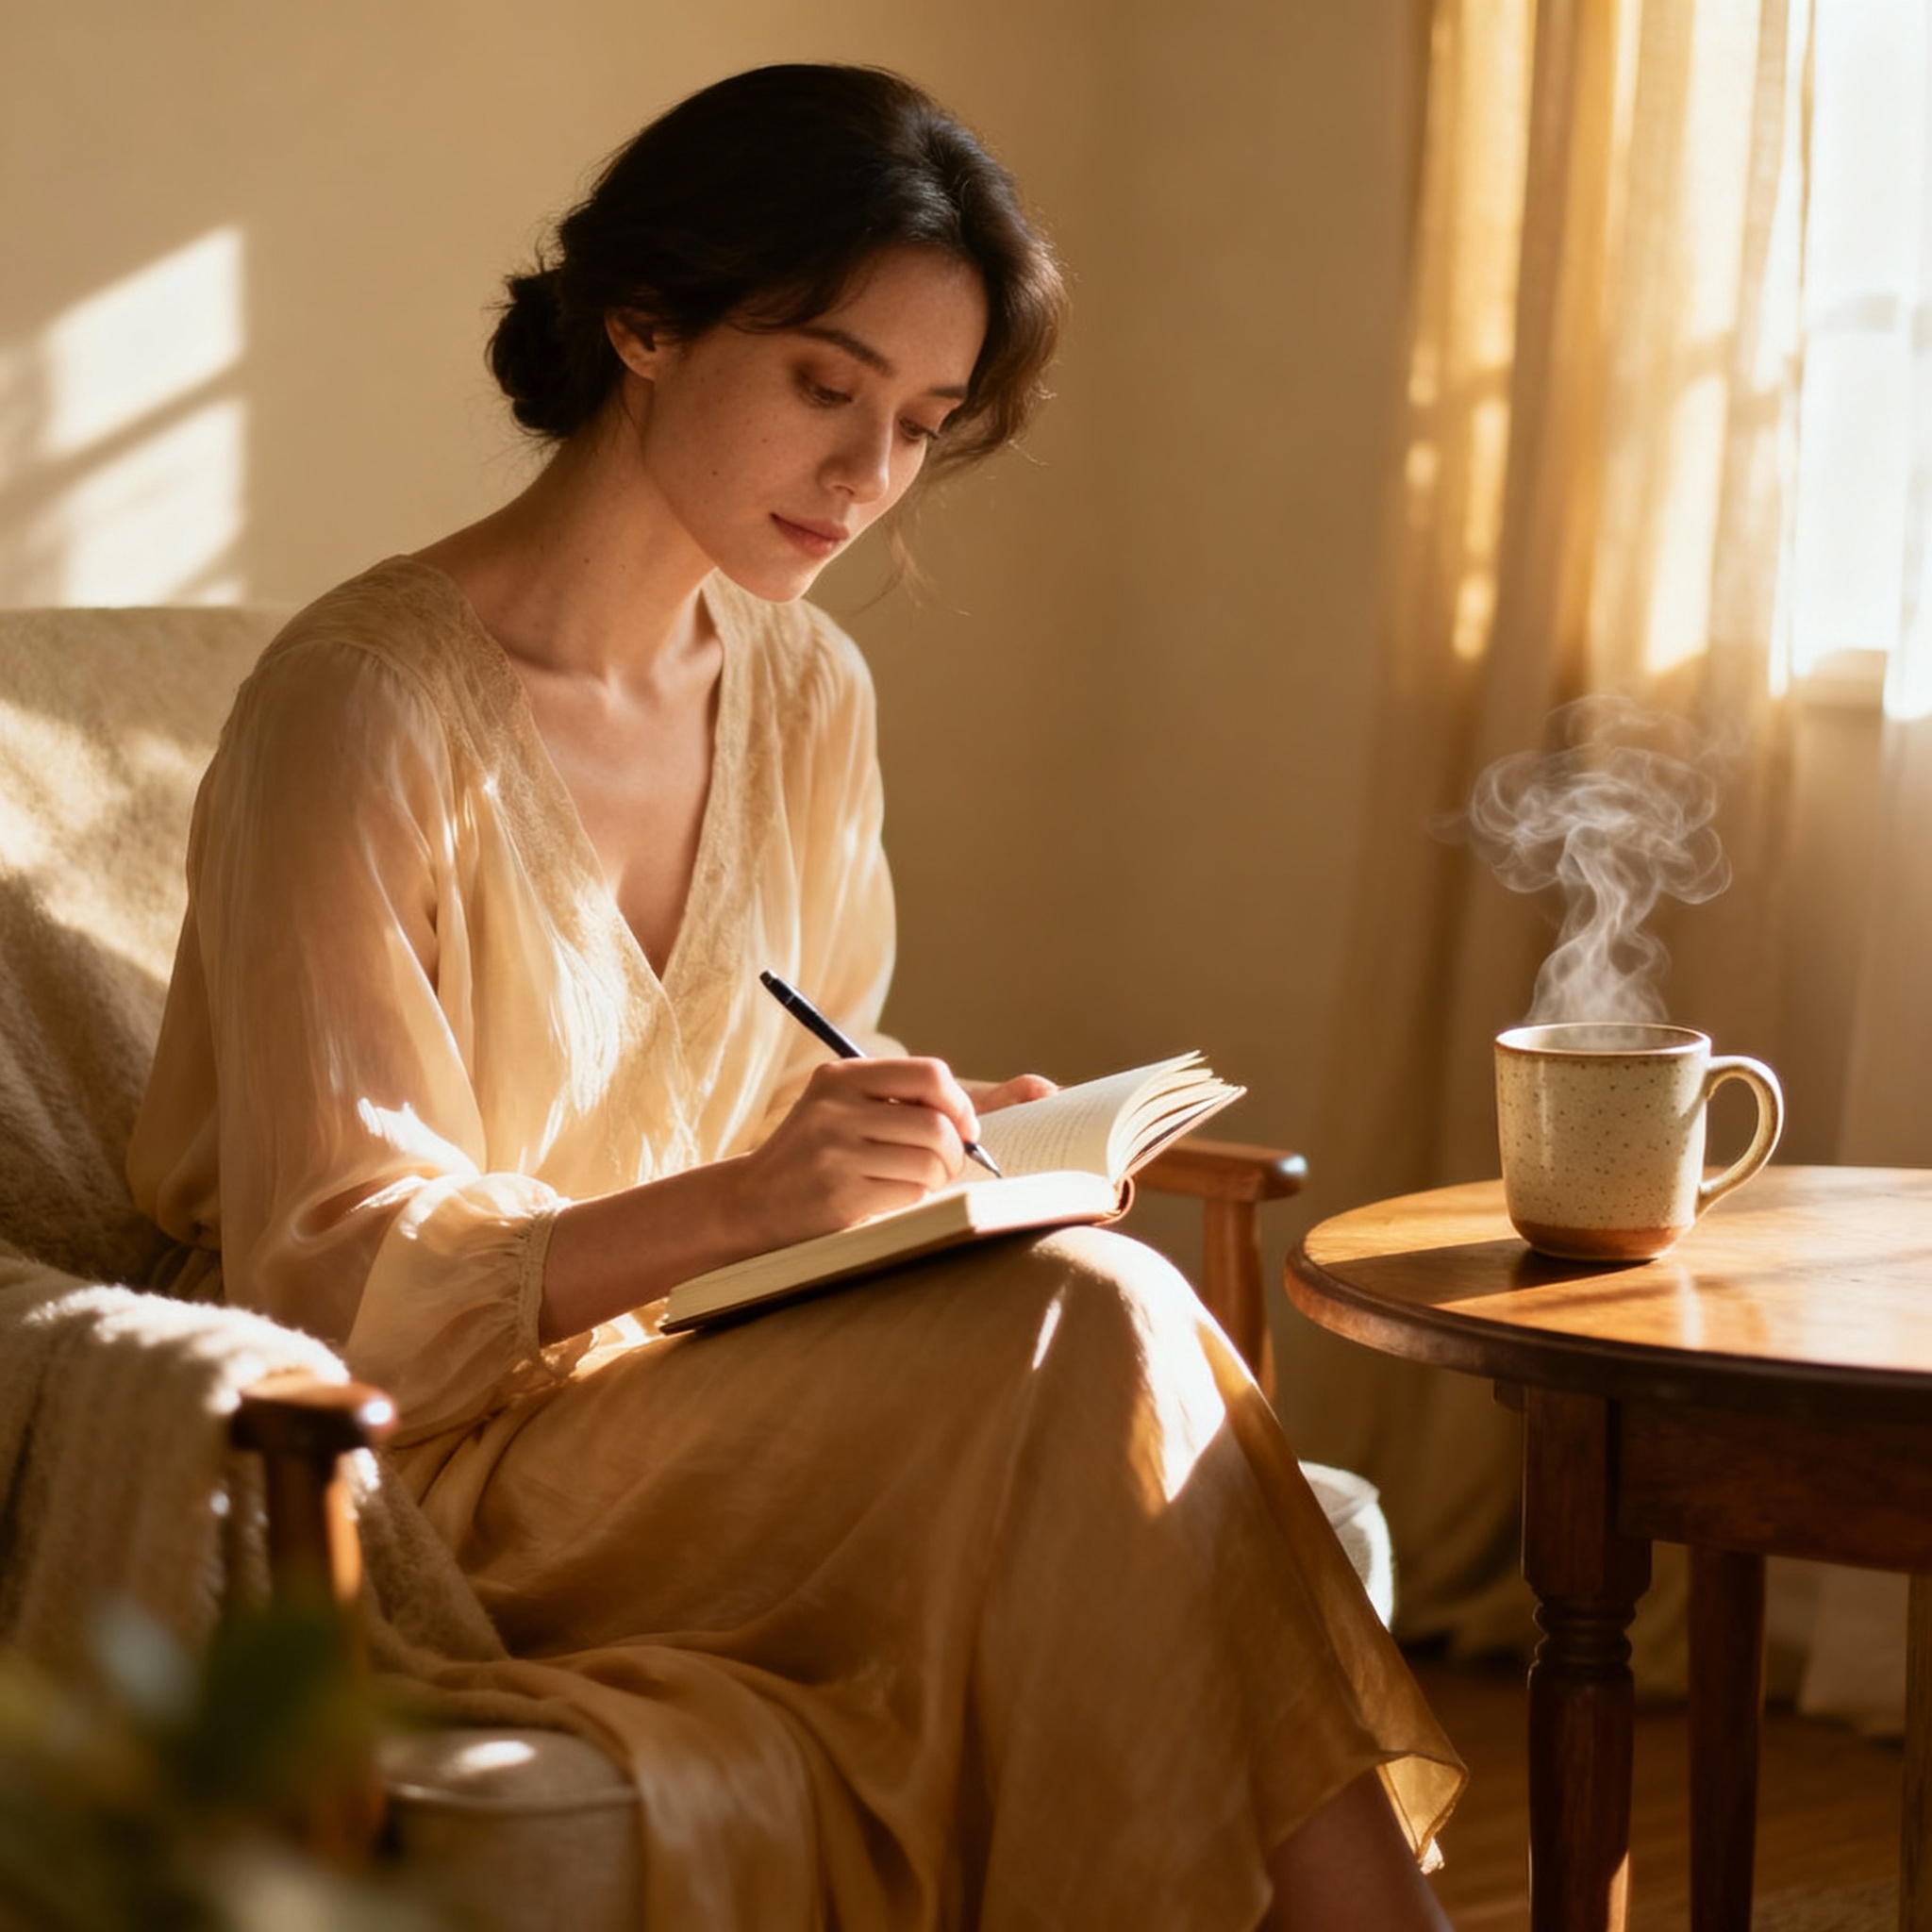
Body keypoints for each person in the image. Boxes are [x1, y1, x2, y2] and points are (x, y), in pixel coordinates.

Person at [128, 62, 1462, 1929]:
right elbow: (326, 1282)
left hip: (702, 1392)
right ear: (644, 324)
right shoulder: (357, 707)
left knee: (1077, 1305)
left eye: (919, 421)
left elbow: (772, 1116)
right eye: (825, 384)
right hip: (426, 1469)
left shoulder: (809, 696)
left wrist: (915, 1160)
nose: (866, 473)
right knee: (1095, 1324)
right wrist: (758, 1196)